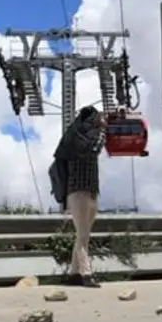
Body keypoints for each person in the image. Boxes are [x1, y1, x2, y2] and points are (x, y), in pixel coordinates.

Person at [50, 106, 106, 286]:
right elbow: (95, 148)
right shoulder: (84, 139)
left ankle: (74, 274)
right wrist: (103, 129)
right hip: (80, 192)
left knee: (83, 234)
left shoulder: (75, 138)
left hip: (86, 191)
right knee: (83, 235)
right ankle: (86, 274)